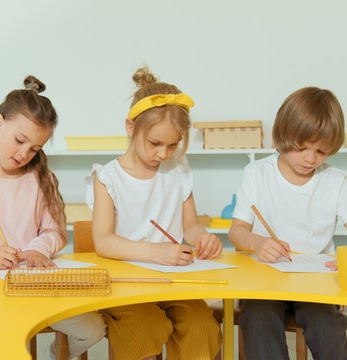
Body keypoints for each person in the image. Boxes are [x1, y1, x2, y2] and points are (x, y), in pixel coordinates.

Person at [0, 75, 105, 359]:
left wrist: (37, 248)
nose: (24, 154)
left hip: (38, 288)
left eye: (34, 148)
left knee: (93, 329)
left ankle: (57, 352)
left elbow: (54, 232)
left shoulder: (40, 178)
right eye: (19, 140)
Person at [228, 86, 347, 360]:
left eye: (322, 151)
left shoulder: (336, 181)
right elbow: (237, 231)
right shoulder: (257, 173)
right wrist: (259, 243)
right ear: (282, 136)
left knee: (325, 323)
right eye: (302, 148)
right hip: (266, 277)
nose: (311, 159)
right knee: (258, 318)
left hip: (316, 281)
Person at [87, 66, 223, 359]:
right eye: (155, 144)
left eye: (173, 145)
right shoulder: (108, 177)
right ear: (131, 128)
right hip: (126, 283)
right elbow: (103, 241)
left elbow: (190, 228)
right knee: (144, 325)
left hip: (172, 281)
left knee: (200, 323)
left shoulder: (178, 171)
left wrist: (204, 237)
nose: (163, 154)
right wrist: (155, 252)